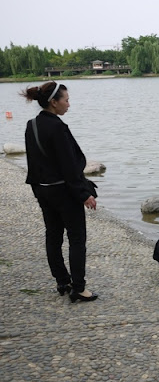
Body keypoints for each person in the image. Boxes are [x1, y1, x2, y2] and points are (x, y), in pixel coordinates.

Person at [22, 81, 99, 303]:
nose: (69, 104)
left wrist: (39, 187)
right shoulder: (58, 127)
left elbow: (34, 161)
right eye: (66, 100)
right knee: (76, 239)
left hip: (42, 190)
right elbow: (69, 166)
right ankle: (79, 288)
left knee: (53, 236)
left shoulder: (32, 125)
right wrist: (84, 194)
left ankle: (62, 282)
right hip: (64, 191)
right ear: (54, 103)